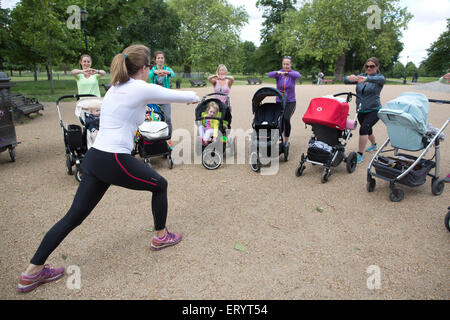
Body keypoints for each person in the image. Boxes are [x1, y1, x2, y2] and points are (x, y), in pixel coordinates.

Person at [17, 44, 200, 293]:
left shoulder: (115, 88)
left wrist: (139, 111)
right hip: (114, 159)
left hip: (94, 159)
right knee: (160, 185)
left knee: (73, 217)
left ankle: (31, 273)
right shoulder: (139, 87)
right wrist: (196, 97)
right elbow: (179, 96)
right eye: (148, 68)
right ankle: (160, 236)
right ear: (145, 68)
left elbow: (120, 112)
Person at [344, 57, 386, 163]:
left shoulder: (379, 78)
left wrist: (367, 79)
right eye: (367, 66)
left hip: (374, 110)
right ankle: (374, 145)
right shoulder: (361, 77)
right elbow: (345, 80)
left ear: (377, 67)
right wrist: (349, 78)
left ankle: (360, 153)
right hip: (361, 110)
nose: (369, 68)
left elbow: (381, 80)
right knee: (368, 129)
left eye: (372, 66)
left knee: (363, 129)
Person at [267, 56, 301, 151]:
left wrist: (288, 73)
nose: (285, 66)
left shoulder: (292, 74)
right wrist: (278, 73)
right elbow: (269, 74)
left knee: (286, 118)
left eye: (287, 64)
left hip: (290, 102)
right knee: (279, 121)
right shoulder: (279, 74)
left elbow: (298, 75)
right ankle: (279, 138)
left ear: (291, 64)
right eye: (284, 64)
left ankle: (286, 140)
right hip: (279, 101)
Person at [148, 51, 175, 139]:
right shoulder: (153, 69)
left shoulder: (167, 69)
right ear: (155, 60)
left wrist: (166, 72)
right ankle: (156, 137)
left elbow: (173, 74)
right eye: (158, 58)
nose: (160, 60)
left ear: (164, 59)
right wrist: (156, 73)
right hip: (155, 97)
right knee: (155, 117)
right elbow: (149, 75)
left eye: (162, 58)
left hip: (165, 97)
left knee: (167, 118)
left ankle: (168, 137)